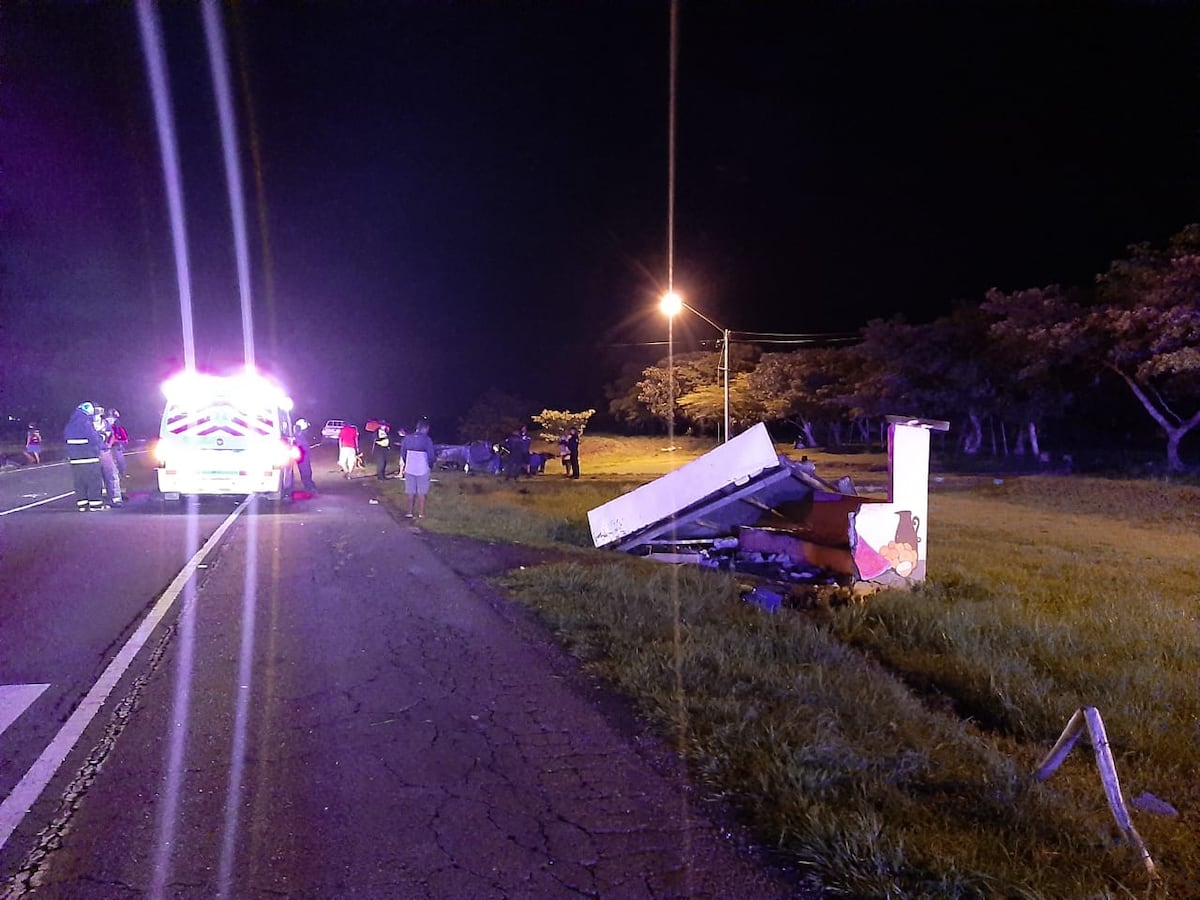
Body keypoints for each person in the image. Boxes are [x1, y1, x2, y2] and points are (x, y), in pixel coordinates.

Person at [64, 402, 106, 511]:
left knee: (80, 483)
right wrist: (102, 437)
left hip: (75, 460)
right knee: (94, 482)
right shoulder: (86, 423)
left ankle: (82, 505)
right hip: (89, 458)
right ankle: (95, 505)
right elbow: (94, 439)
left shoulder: (70, 425)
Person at [399, 418, 436, 518]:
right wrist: (431, 465)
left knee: (410, 491)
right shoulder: (426, 439)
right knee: (422, 492)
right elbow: (431, 455)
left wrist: (407, 463)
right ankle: (421, 513)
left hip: (410, 467)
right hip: (422, 467)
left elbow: (403, 453)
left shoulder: (407, 438)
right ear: (425, 428)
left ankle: (410, 512)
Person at [95, 407, 123, 506]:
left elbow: (112, 434)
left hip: (105, 452)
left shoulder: (105, 423)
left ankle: (115, 498)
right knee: (96, 477)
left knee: (111, 474)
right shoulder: (87, 424)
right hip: (94, 453)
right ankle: (98, 500)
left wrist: (109, 445)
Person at [292, 418, 318, 494]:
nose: (307, 430)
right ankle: (310, 487)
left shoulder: (297, 435)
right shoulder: (299, 436)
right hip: (301, 454)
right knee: (306, 471)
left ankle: (309, 486)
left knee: (305, 471)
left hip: (301, 453)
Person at [107, 408, 129, 478]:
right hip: (114, 442)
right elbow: (120, 431)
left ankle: (117, 473)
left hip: (110, 443)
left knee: (114, 459)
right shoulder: (115, 422)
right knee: (119, 459)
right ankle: (122, 473)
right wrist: (124, 439)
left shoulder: (105, 422)